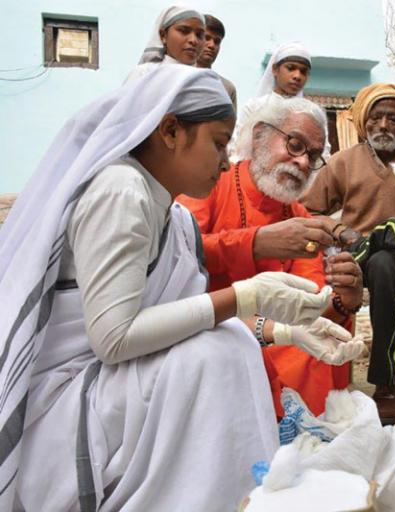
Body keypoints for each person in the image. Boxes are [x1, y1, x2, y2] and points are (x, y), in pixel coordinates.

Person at [0, 66, 363, 510]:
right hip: (71, 394)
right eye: (217, 143)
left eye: (315, 154)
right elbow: (114, 338)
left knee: (233, 344)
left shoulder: (172, 216)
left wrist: (291, 331)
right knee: (214, 355)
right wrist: (251, 292)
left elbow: (191, 313)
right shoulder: (121, 191)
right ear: (170, 131)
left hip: (151, 365)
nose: (227, 159)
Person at [178, 96, 365, 417]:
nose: (304, 162)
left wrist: (344, 299)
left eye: (314, 155)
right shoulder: (210, 184)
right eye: (295, 145)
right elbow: (180, 255)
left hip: (277, 336)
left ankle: (301, 442)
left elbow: (311, 301)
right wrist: (257, 243)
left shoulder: (298, 215)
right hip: (206, 325)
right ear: (260, 135)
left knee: (314, 349)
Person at [302, 83, 395, 421]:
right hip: (359, 257)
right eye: (377, 118)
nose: (384, 126)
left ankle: (386, 383)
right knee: (382, 257)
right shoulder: (343, 162)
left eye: (394, 119)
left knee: (389, 250)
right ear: (365, 121)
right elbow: (308, 211)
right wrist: (340, 231)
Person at [231, 42, 314, 162]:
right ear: (275, 69)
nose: (297, 76)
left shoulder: (310, 115)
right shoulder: (254, 107)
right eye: (291, 68)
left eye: (303, 71)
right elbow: (238, 147)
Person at [125, 5, 205, 82]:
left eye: (199, 35)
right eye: (184, 31)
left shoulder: (206, 80)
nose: (193, 40)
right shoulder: (143, 74)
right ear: (163, 35)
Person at [197, 14, 237, 109]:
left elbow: (230, 123)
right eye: (207, 38)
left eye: (217, 41)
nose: (212, 45)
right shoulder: (178, 77)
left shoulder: (227, 88)